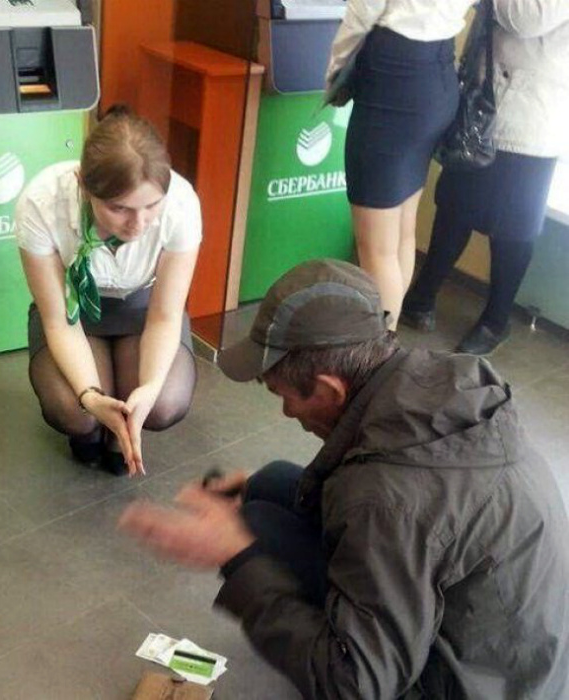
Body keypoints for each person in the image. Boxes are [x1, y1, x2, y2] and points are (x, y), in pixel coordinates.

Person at [119, 259, 569, 699]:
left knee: (255, 532)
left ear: (329, 389)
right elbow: (395, 491)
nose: (286, 411)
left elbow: (354, 685)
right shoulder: (434, 377)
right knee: (269, 485)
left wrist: (235, 558)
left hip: (467, 683)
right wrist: (252, 489)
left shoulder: (386, 501)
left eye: (282, 395)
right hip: (511, 649)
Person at [15, 105, 201, 476]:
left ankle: (121, 428)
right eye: (119, 208)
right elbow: (58, 321)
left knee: (163, 403)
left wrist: (148, 389)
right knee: (75, 412)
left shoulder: (181, 203)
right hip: (75, 312)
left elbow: (164, 317)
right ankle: (90, 429)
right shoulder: (41, 201)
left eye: (151, 206)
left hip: (143, 311)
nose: (138, 224)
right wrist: (91, 396)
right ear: (83, 185)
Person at [402, 0, 569, 355]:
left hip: (531, 119)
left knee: (513, 229)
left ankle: (496, 321)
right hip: (484, 100)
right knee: (454, 206)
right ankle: (422, 295)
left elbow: (528, 17)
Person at [326, 0, 476, 328]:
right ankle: (386, 341)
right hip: (439, 73)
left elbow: (364, 9)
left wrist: (335, 70)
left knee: (376, 249)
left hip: (394, 80)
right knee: (402, 233)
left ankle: (379, 348)